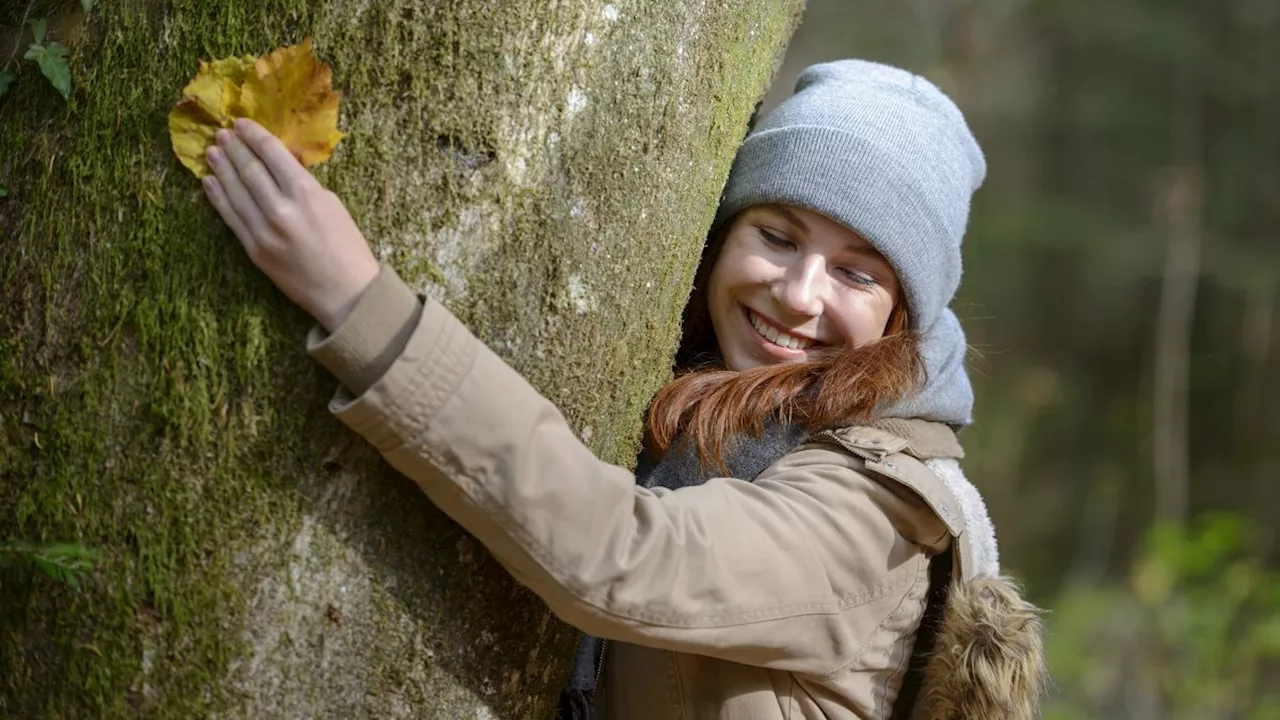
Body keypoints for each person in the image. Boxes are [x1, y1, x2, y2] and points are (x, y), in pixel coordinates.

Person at [200, 59, 1047, 719]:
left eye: (855, 274)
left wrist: (359, 303)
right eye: (778, 235)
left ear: (903, 315)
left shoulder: (880, 511)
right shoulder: (709, 404)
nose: (799, 293)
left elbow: (627, 556)